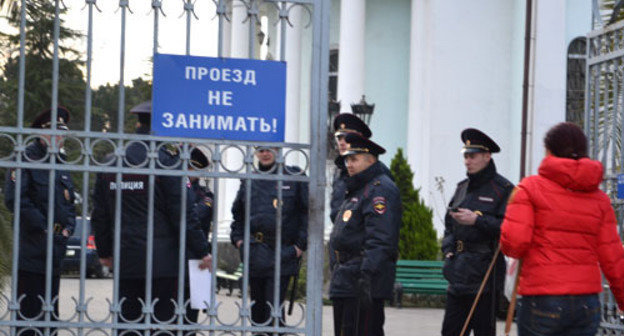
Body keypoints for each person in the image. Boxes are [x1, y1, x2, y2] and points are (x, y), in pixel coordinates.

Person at [91, 102, 212, 326]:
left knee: (128, 323)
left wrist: (104, 251)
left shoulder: (111, 162)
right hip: (163, 265)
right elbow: (183, 214)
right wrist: (202, 250)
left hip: (125, 259)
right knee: (161, 324)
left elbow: (100, 215)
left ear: (138, 124)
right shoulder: (166, 163)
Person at [500, 122, 624, 336]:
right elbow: (613, 258)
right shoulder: (600, 200)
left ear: (549, 151)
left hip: (542, 299)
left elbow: (515, 245)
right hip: (587, 302)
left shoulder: (529, 189)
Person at [4, 107, 76, 336]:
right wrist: (44, 227)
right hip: (31, 249)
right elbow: (15, 200)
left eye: (63, 131)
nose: (60, 136)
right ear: (40, 133)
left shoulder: (61, 165)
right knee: (29, 315)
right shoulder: (25, 158)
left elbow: (70, 206)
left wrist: (67, 230)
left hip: (54, 250)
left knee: (49, 316)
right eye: (55, 131)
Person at [440, 128, 513, 336]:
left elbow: (508, 227)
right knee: (451, 331)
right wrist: (448, 250)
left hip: (485, 274)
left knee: (483, 331)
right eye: (465, 156)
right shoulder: (462, 187)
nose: (467, 161)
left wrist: (477, 220)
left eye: (472, 156)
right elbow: (449, 225)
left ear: (487, 156)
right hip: (459, 271)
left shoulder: (503, 189)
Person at [329, 133, 401, 336]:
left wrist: (366, 278)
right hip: (346, 279)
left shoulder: (380, 190)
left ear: (370, 160)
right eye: (347, 159)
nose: (349, 164)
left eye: (354, 159)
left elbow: (380, 239)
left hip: (362, 282)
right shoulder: (358, 189)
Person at [230, 147, 308, 326]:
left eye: (269, 150)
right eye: (261, 150)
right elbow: (238, 215)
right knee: (257, 313)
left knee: (274, 313)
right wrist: (240, 241)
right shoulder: (250, 178)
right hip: (255, 251)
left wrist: (299, 247)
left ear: (278, 151)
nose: (265, 154)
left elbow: (307, 213)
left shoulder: (295, 177)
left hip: (283, 252)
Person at [184, 146, 214, 324]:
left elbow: (196, 215)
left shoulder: (205, 194)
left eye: (193, 169)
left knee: (192, 312)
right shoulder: (172, 188)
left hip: (198, 258)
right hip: (174, 255)